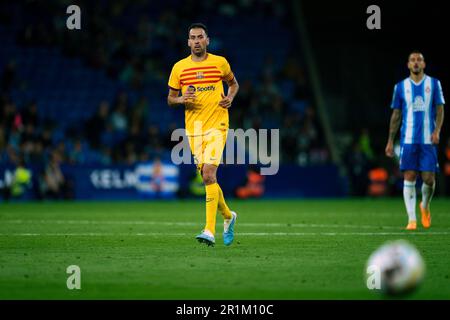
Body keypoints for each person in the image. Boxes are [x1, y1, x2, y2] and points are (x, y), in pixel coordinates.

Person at [167, 23, 239, 246]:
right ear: (188, 42)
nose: (196, 41)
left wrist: (230, 97)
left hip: (218, 126)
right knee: (208, 178)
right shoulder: (179, 68)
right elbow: (170, 99)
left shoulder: (220, 63)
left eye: (200, 37)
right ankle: (228, 216)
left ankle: (209, 230)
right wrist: (181, 99)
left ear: (207, 40)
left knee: (208, 174)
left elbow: (234, 84)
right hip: (194, 131)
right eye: (192, 37)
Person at [385, 50, 445, 230]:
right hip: (408, 140)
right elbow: (396, 115)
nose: (416, 62)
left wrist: (437, 131)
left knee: (428, 179)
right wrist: (390, 140)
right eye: (412, 60)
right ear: (408, 65)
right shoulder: (400, 87)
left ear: (424, 64)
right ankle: (411, 220)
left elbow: (440, 109)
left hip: (428, 140)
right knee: (409, 176)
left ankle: (424, 206)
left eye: (419, 59)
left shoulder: (434, 84)